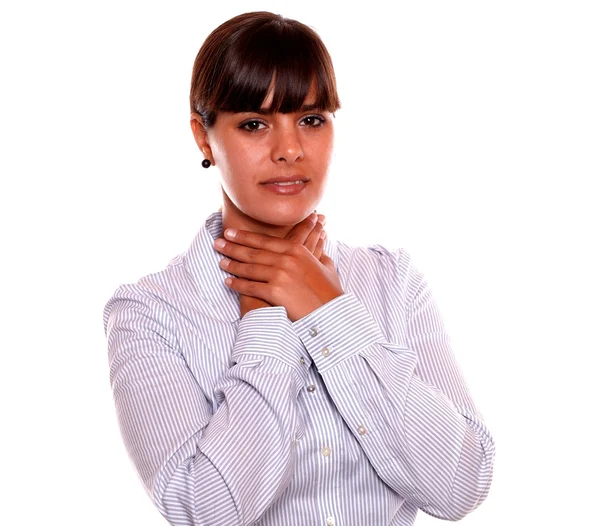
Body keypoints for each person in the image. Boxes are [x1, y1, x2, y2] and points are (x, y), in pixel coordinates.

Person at [103, 11, 495, 526]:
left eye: (311, 120)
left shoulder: (392, 281)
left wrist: (328, 311)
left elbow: (462, 485)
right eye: (253, 124)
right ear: (203, 137)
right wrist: (267, 324)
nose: (289, 150)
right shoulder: (149, 312)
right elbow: (205, 511)